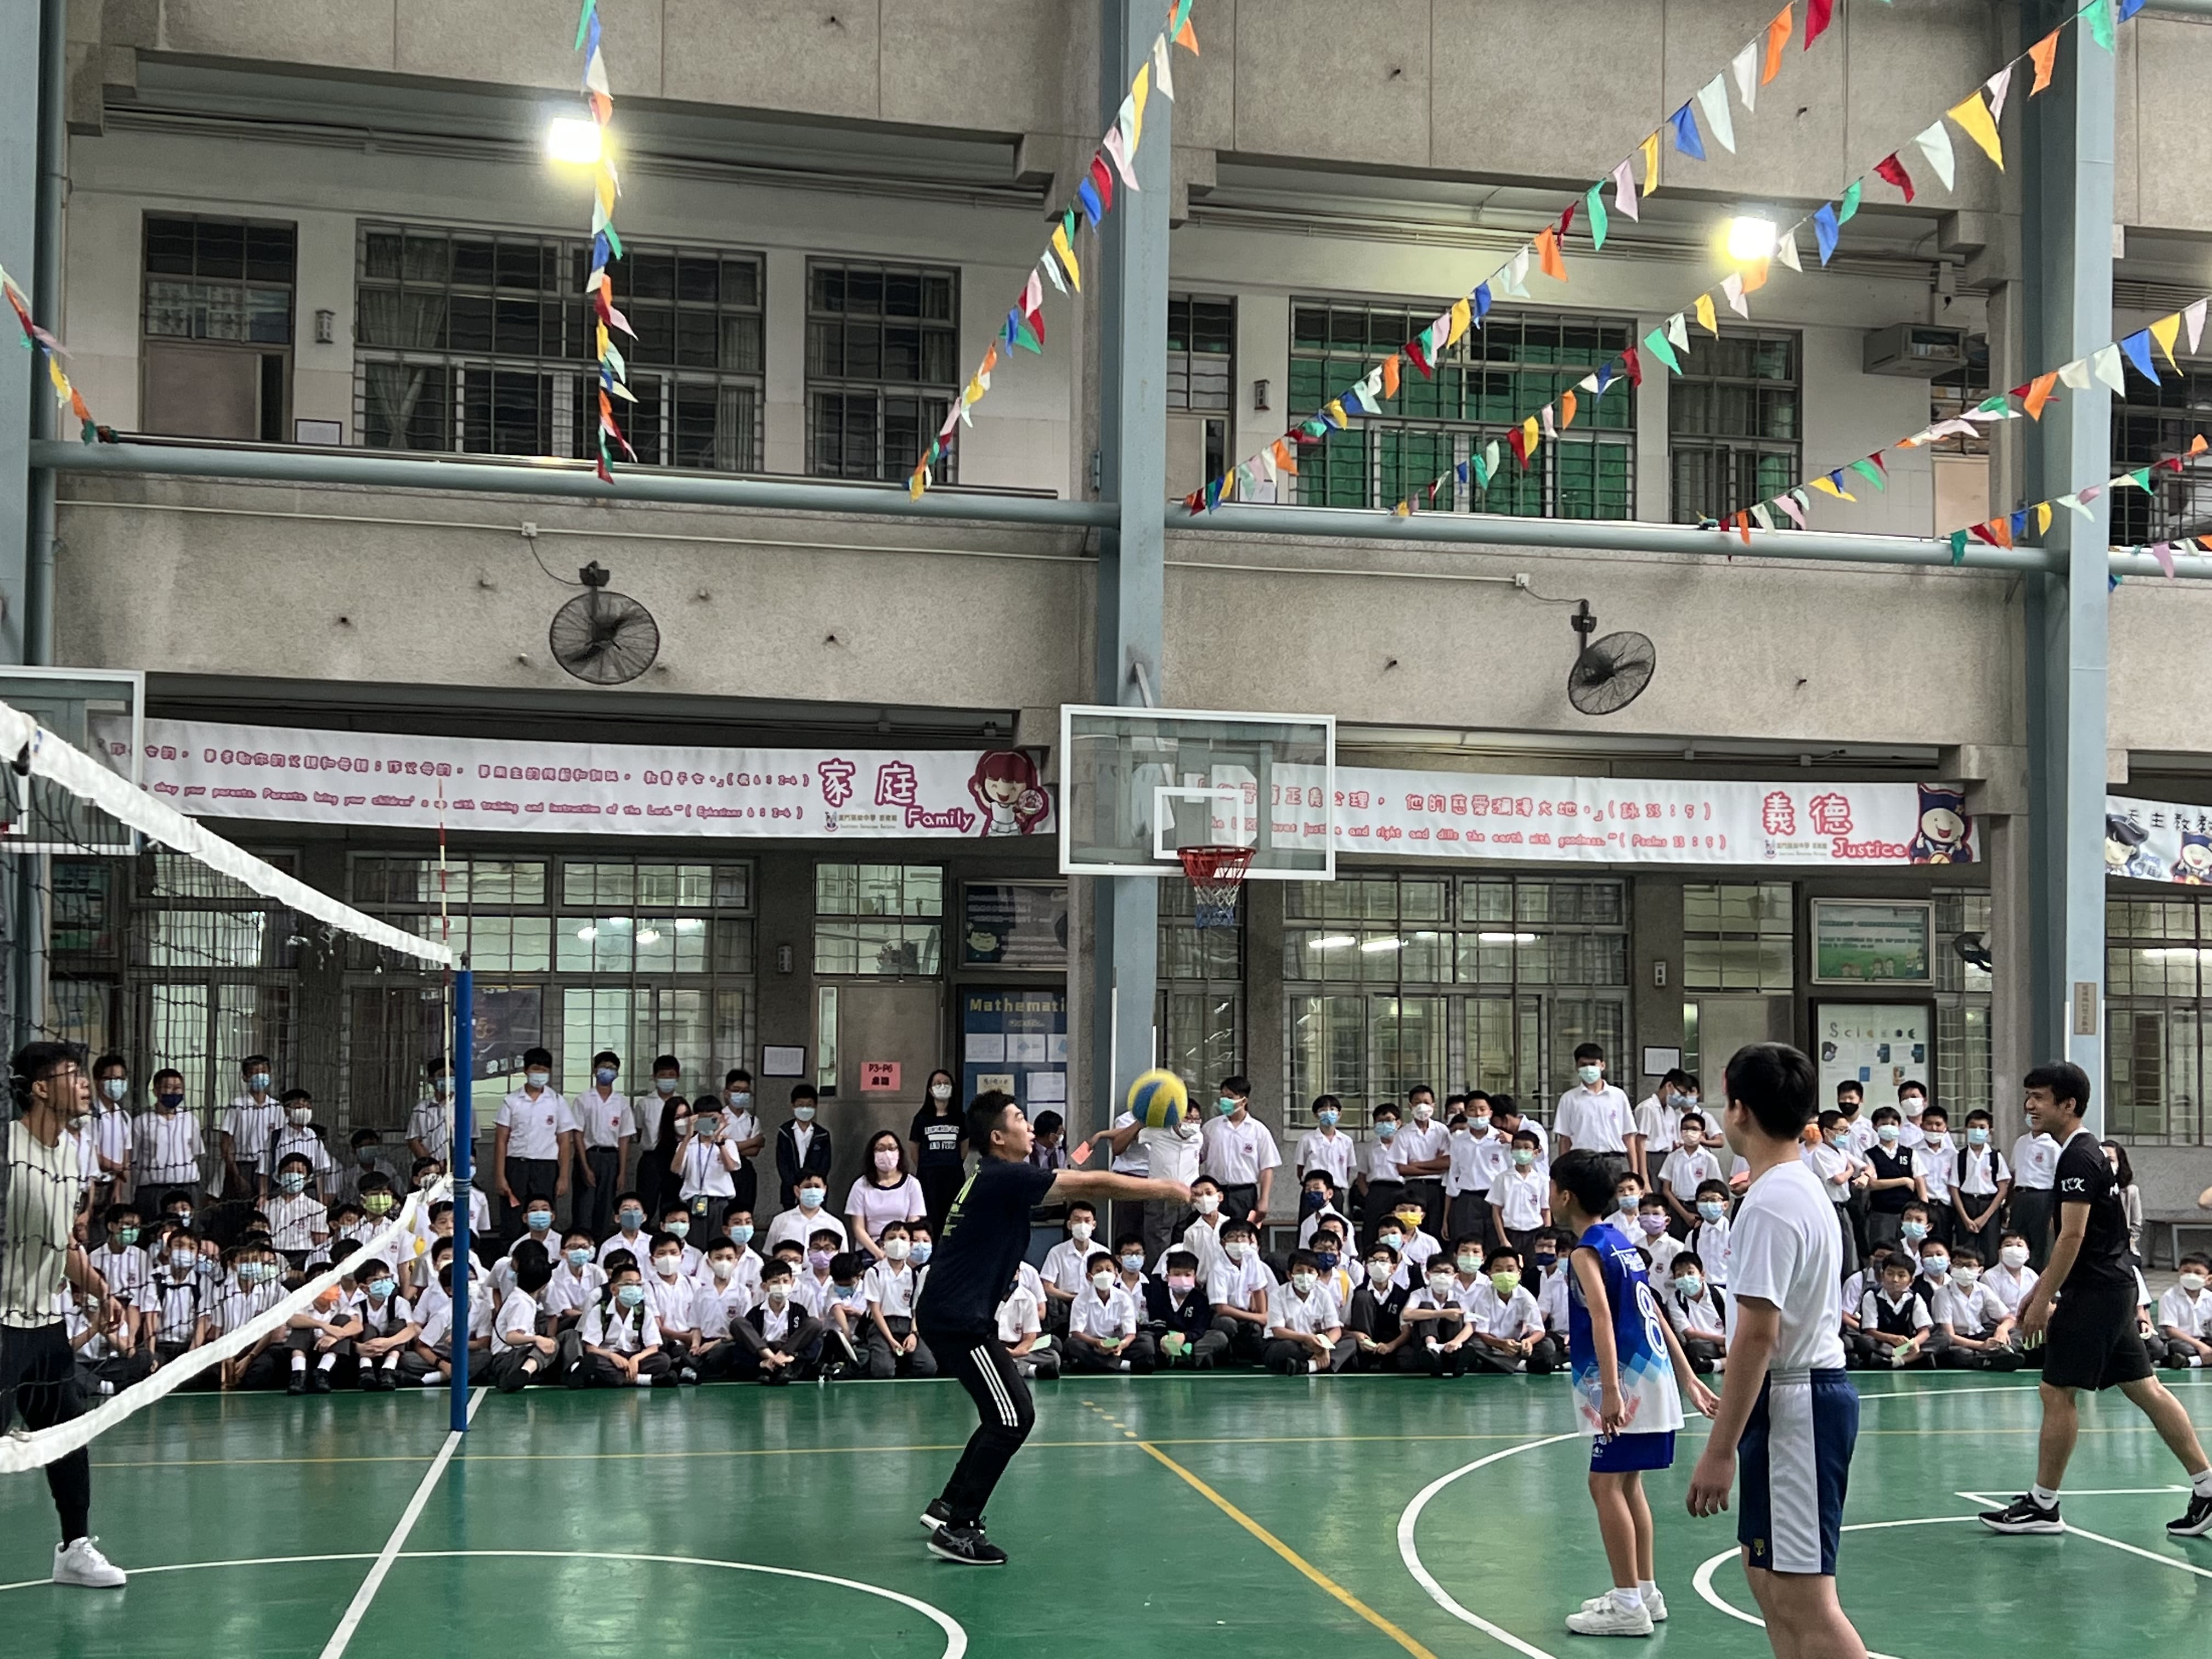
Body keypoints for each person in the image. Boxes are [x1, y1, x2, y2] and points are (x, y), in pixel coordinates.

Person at [912, 1090, 1189, 1565]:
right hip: (959, 1321)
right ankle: (960, 1529)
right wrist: (1166, 1188)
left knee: (1000, 1414)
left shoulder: (990, 1177)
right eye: (1019, 1118)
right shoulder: (1006, 1176)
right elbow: (1095, 1183)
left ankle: (949, 1507)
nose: (1028, 1126)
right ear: (998, 1137)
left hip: (951, 1315)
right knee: (1014, 1417)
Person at [1686, 1043, 1868, 1659]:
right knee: (1768, 1583)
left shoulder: (1772, 1203)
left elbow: (1757, 1334)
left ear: (1738, 1109)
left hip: (1800, 1401)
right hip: (1790, 1401)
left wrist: (1719, 1451)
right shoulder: (1792, 1187)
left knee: (1805, 1603)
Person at [1979, 1061, 2212, 1539]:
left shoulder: (2079, 1158)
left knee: (2056, 1391)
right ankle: (2209, 1487)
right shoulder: (2081, 1153)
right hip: (2111, 1287)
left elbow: (2073, 1236)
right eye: (2028, 1095)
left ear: (2069, 1104)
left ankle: (2044, 1505)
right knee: (2144, 1387)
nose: (2029, 1106)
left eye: (2039, 1097)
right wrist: (2040, 1289)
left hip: (2097, 1292)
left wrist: (2043, 1299)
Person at [1551, 1147, 1714, 1637]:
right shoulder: (1619, 1242)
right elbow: (1655, 1311)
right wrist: (1687, 1376)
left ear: (1565, 1196)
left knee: (1604, 1485)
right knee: (1626, 1485)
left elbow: (1603, 1318)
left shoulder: (1586, 1252)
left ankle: (1627, 1605)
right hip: (1653, 1373)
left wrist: (1611, 1392)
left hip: (1626, 1380)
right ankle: (1644, 1591)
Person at [494, 1049, 575, 1240]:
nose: (539, 1075)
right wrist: (500, 1176)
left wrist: (564, 1177)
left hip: (546, 1168)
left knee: (542, 1218)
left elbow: (564, 1141)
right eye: (536, 1069)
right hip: (516, 1166)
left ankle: (544, 1255)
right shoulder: (512, 1101)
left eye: (544, 1070)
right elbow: (501, 1141)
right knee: (513, 1219)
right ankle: (510, 1255)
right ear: (526, 1070)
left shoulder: (557, 1101)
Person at [1199, 1075, 1280, 1230]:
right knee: (1213, 1233)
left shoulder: (1259, 1130)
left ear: (1244, 1101)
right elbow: (1197, 1157)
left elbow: (1267, 1168)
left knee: (1243, 1234)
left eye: (1230, 1097)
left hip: (1244, 1193)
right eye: (1223, 1097)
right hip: (1215, 1192)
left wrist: (1264, 1200)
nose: (1225, 1101)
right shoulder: (1211, 1128)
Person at [1553, 1043, 1644, 1175]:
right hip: (1581, 1162)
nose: (1588, 1069)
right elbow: (1565, 1139)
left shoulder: (1618, 1096)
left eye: (1593, 1064)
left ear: (1602, 1065)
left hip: (1613, 1160)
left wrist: (1634, 1171)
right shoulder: (1569, 1099)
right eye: (1583, 1065)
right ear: (1577, 1067)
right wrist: (1563, 1172)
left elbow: (1628, 1136)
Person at [572, 1051, 635, 1239]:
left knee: (605, 1207)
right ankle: (581, 1242)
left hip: (611, 1158)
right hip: (589, 1155)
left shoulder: (621, 1103)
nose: (607, 1071)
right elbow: (578, 1135)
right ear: (594, 1070)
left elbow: (624, 1139)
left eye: (612, 1068)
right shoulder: (583, 1099)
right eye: (603, 1067)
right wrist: (585, 1167)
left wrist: (622, 1172)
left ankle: (600, 1245)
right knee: (584, 1206)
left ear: (617, 1073)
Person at [862, 1221, 935, 1378]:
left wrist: (914, 1334)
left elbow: (915, 1309)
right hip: (882, 1326)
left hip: (907, 1325)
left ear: (910, 1244)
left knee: (928, 1367)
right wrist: (890, 1340)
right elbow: (875, 1310)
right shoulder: (874, 1272)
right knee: (883, 1371)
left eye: (903, 1238)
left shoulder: (914, 1275)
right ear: (883, 1244)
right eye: (891, 1238)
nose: (897, 1242)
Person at [486, 1242, 558, 1392]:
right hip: (507, 1359)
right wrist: (538, 1339)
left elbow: (552, 1316)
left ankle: (574, 1368)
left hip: (515, 1352)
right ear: (543, 1285)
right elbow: (512, 1337)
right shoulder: (522, 1303)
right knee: (555, 1343)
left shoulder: (522, 1298)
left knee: (562, 1338)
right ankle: (525, 1372)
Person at [848, 1130, 927, 1262]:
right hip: (870, 1251)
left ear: (899, 1152)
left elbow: (913, 1225)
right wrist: (879, 1254)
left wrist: (899, 1250)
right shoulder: (861, 1185)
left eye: (892, 1148)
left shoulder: (912, 1184)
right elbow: (858, 1228)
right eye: (881, 1149)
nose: (887, 1154)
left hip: (902, 1248)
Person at [672, 1094, 742, 1243]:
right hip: (694, 1203)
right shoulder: (688, 1145)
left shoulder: (727, 1143)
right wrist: (687, 1136)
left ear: (721, 1118)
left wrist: (719, 1142)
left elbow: (731, 1167)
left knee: (719, 1245)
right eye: (703, 1119)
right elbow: (676, 1169)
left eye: (712, 1118)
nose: (708, 1123)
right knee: (696, 1245)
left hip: (719, 1202)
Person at [133, 1070, 204, 1216]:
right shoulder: (141, 1122)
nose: (174, 1092)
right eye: (168, 1087)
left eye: (178, 1088)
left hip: (187, 1188)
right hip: (153, 1190)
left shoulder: (190, 1119)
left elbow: (196, 1153)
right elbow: (133, 1159)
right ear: (156, 1091)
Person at [219, 1054, 283, 1202]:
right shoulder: (237, 1105)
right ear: (245, 1078)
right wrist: (236, 1175)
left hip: (269, 1167)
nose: (259, 1076)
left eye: (263, 1072)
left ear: (269, 1074)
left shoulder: (276, 1108)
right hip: (243, 1166)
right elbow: (226, 1144)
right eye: (254, 1073)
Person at [1861, 1107, 1925, 1254]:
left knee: (1910, 1252)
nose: (1889, 1127)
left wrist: (1925, 1208)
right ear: (1875, 1127)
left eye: (1893, 1124)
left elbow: (1919, 1180)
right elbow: (1873, 1184)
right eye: (1884, 1124)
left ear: (1899, 1126)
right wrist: (1904, 1181)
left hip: (1908, 1215)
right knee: (1883, 1251)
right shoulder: (1870, 1154)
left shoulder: (1909, 1153)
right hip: (1882, 1213)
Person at [910, 1070, 967, 1231]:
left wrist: (952, 1162)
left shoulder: (960, 1118)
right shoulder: (921, 1118)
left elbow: (964, 1146)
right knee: (931, 1218)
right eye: (937, 1083)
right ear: (930, 1090)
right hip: (928, 1177)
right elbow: (914, 1147)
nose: (942, 1086)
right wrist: (927, 1165)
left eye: (946, 1083)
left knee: (952, 1219)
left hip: (953, 1175)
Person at [2007, 1113, 2062, 1271]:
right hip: (2020, 1195)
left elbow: (2058, 1179)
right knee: (2016, 1238)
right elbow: (2013, 1172)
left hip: (2042, 1197)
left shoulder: (2053, 1146)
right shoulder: (2021, 1142)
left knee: (2039, 1241)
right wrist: (2008, 1203)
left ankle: (2037, 1276)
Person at [1662, 1251, 1727, 1374]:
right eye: (1679, 1275)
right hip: (1702, 1346)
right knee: (1695, 1348)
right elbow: (1689, 1333)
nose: (1685, 1278)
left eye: (1690, 1273)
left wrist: (1726, 1342)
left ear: (1702, 1275)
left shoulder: (1721, 1295)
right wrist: (1718, 1340)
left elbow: (1735, 1323)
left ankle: (1717, 1364)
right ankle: (1726, 1363)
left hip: (1727, 1343)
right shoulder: (1675, 1301)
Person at [1658, 1113, 1724, 1233]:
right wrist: (1685, 1214)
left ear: (1702, 1134)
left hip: (1701, 1208)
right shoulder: (1673, 1157)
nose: (1689, 1132)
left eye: (1694, 1129)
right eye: (1685, 1129)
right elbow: (1666, 1189)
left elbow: (1715, 1189)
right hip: (1677, 1208)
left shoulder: (1709, 1159)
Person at [774, 1085, 833, 1212]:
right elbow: (782, 1162)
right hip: (790, 1190)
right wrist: (794, 1185)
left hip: (815, 1190)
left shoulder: (822, 1135)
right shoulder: (785, 1132)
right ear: (793, 1106)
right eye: (800, 1105)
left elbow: (825, 1165)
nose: (805, 1109)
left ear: (815, 1106)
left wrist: (812, 1184)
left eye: (809, 1105)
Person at [2159, 1255, 2212, 1369]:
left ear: (2209, 1279)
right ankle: (2201, 1359)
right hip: (2182, 1341)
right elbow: (2171, 1331)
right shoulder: (2169, 1297)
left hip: (2205, 1340)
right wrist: (2200, 1346)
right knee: (2180, 1348)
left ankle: (2191, 1362)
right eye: (2187, 1271)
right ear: (2179, 1273)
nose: (2191, 1276)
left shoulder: (2210, 1298)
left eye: (2198, 1273)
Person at [1295, 1094, 1357, 1191]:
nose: (1328, 1113)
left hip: (1336, 1189)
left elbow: (1347, 1169)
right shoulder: (1306, 1140)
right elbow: (1300, 1168)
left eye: (1332, 1109)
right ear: (1316, 1115)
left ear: (1339, 1114)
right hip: (1313, 1190)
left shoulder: (1347, 1141)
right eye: (1323, 1110)